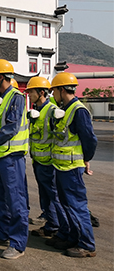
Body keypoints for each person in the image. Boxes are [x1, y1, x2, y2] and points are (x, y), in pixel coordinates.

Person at [46, 72, 98, 257]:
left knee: (77, 205)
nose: (53, 95)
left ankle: (87, 245)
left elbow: (89, 139)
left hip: (72, 167)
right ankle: (72, 237)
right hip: (61, 166)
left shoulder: (78, 110)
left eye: (54, 91)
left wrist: (86, 159)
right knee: (66, 204)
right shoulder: (65, 109)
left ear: (62, 89)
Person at [0, 59, 29, 260]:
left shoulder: (16, 97)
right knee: (0, 198)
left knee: (15, 201)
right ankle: (3, 234)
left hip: (11, 157)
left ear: (1, 77)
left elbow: (11, 127)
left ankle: (17, 244)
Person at [26, 77, 66, 239]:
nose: (29, 95)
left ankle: (59, 228)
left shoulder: (52, 111)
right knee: (45, 196)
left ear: (41, 92)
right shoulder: (38, 110)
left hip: (49, 162)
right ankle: (51, 224)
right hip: (38, 161)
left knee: (53, 196)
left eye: (31, 92)